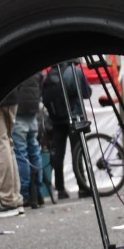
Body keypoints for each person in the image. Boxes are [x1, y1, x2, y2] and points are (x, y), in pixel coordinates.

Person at [42, 63, 91, 199]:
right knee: (77, 152)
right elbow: (87, 93)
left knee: (59, 154)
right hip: (74, 117)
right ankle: (82, 187)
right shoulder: (75, 71)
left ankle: (61, 189)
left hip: (56, 120)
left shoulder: (48, 76)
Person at [10, 73, 45, 208]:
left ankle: (25, 194)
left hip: (19, 112)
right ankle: (38, 191)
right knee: (35, 152)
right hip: (33, 111)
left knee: (21, 155)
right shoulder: (37, 71)